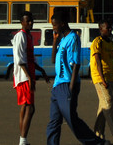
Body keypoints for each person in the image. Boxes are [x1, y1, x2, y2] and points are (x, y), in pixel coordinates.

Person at [46, 10, 108, 145]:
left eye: (55, 25)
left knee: (71, 119)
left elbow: (76, 64)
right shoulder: (62, 39)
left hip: (67, 84)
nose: (53, 28)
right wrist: (55, 41)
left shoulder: (73, 38)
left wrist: (71, 88)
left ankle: (95, 142)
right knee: (54, 121)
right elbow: (52, 60)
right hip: (57, 85)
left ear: (62, 24)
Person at [13, 11, 50, 145]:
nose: (30, 23)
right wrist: (29, 77)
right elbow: (20, 59)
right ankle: (23, 140)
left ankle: (23, 139)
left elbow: (30, 59)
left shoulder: (29, 36)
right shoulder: (20, 36)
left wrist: (42, 71)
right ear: (21, 22)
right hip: (23, 77)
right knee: (30, 108)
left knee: (26, 106)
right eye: (27, 21)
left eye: (31, 20)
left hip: (29, 75)